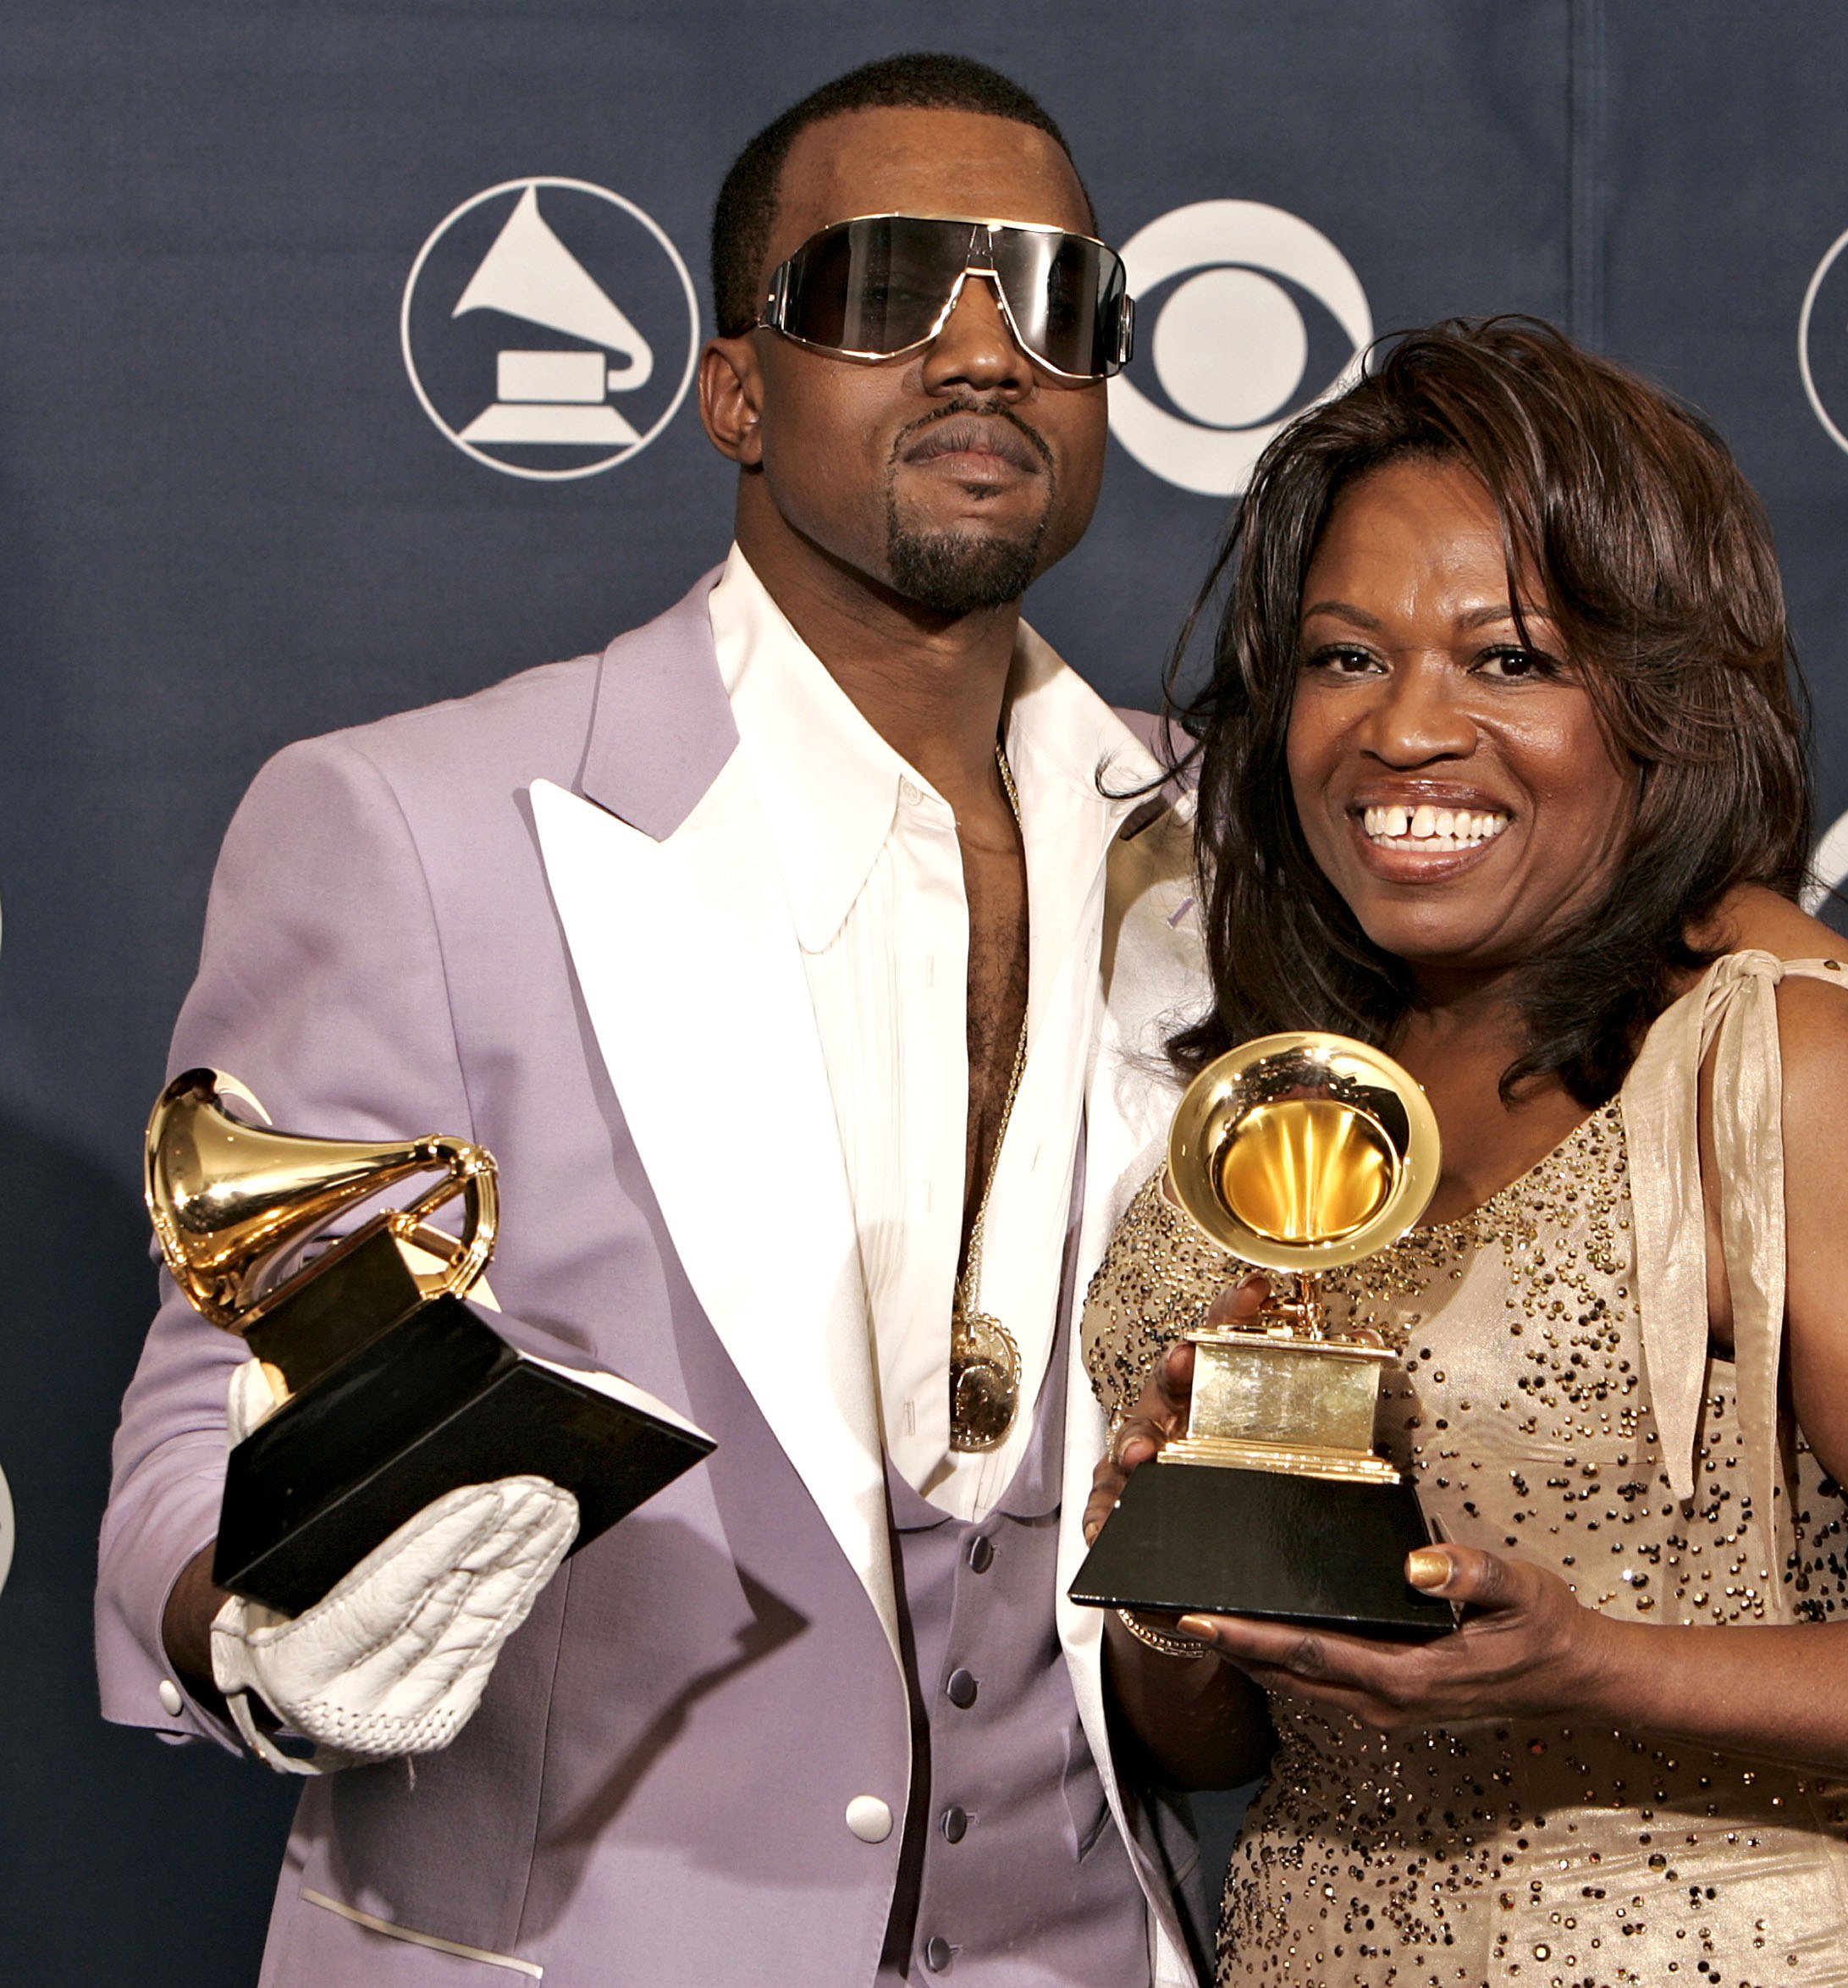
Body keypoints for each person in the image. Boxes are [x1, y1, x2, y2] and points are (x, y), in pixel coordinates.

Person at [97, 53, 1211, 1986]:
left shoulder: (1205, 845)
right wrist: (251, 1622)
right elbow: (218, 1397)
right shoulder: (419, 825)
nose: (980, 353)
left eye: (1049, 298)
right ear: (734, 388)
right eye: (883, 286)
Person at [1081, 319, 1848, 1987]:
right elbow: (1224, 1739)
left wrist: (1594, 1664)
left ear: (1653, 704)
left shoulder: (1786, 1068)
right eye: (1344, 655)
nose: (1405, 729)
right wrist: (1173, 1567)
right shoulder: (1264, 1113)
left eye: (1508, 659)